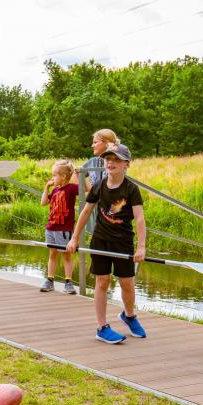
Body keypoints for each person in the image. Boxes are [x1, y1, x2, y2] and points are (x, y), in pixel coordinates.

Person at [66, 143, 147, 344]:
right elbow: (85, 211)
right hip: (100, 240)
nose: (111, 163)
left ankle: (128, 316)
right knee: (102, 281)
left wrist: (141, 246)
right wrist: (75, 238)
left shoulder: (131, 189)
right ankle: (102, 328)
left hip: (123, 242)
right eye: (108, 159)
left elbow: (139, 219)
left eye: (116, 160)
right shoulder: (99, 186)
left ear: (126, 164)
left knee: (127, 283)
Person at [40, 159, 79, 294]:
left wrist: (79, 176)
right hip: (50, 228)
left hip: (64, 230)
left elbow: (86, 191)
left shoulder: (71, 188)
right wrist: (46, 187)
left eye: (54, 175)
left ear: (63, 177)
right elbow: (43, 202)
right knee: (52, 254)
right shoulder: (55, 189)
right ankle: (50, 280)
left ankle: (68, 282)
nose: (52, 178)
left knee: (67, 256)